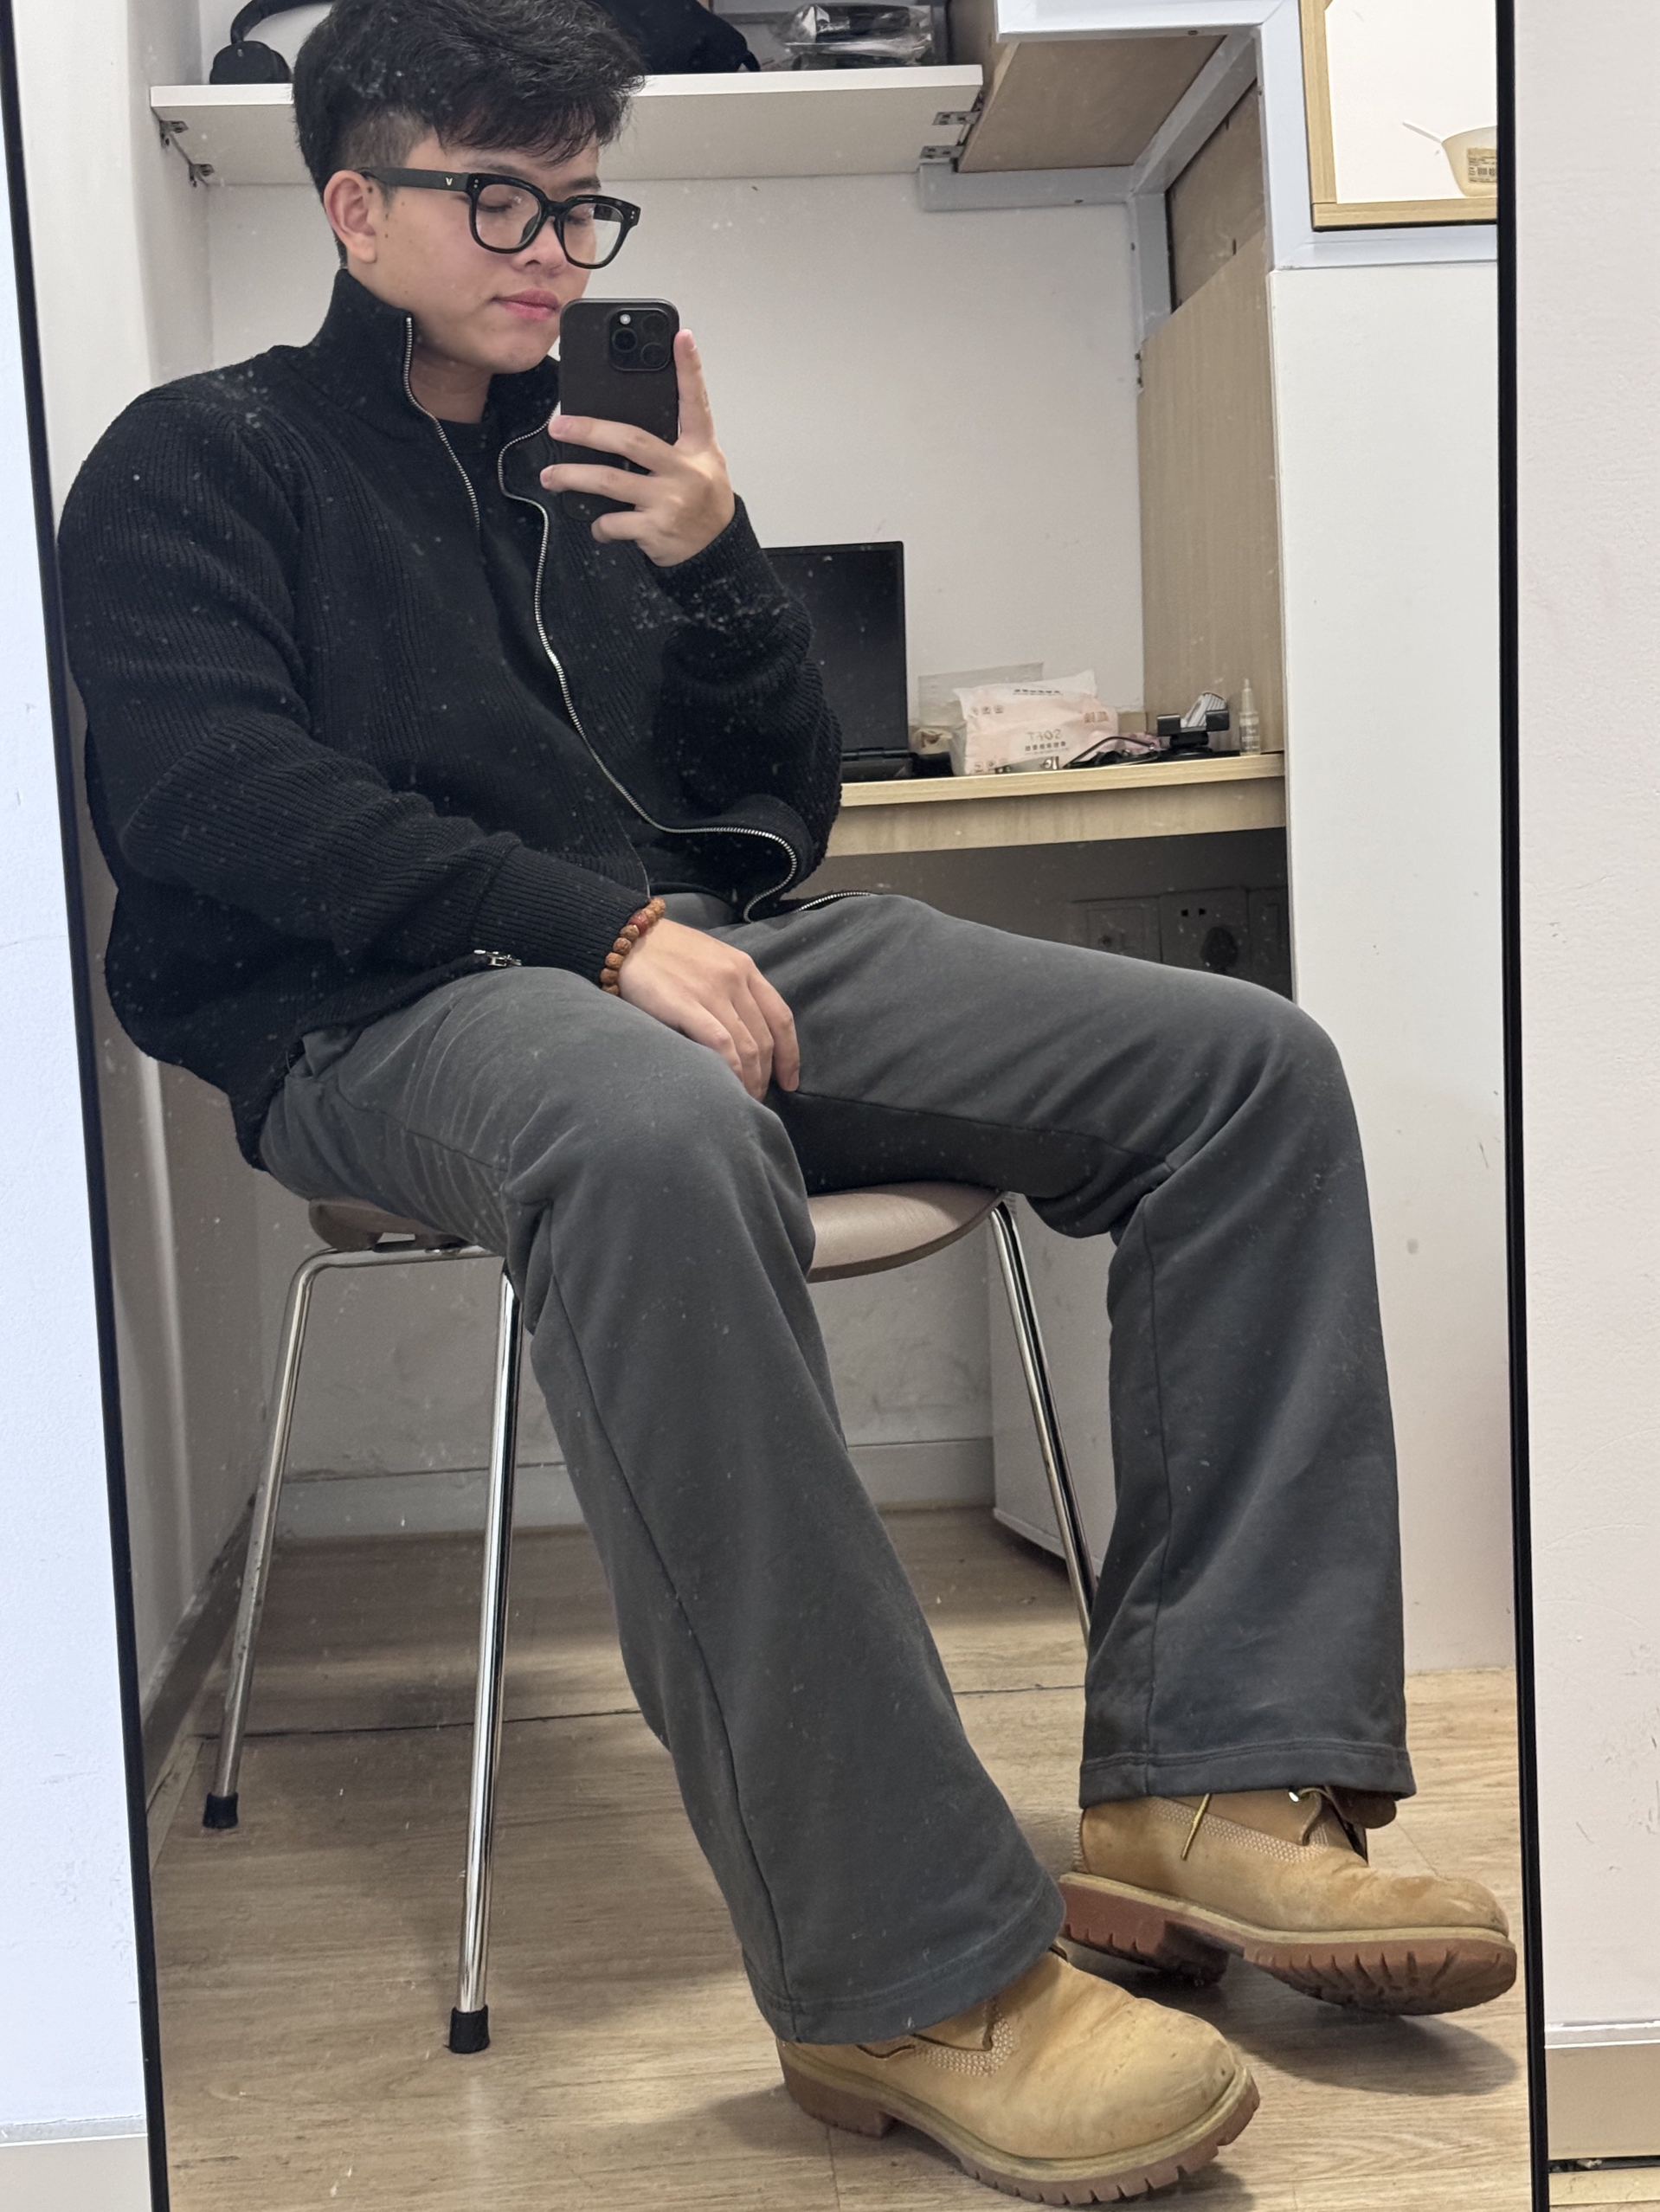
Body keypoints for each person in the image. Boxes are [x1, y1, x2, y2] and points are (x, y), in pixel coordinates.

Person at [56, 0, 1515, 2196]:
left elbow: (775, 820)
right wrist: (591, 932)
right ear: (353, 208)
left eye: (579, 204)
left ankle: (1212, 1782)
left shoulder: (604, 464)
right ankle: (903, 1969)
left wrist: (718, 564)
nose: (550, 250)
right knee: (655, 1134)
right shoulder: (203, 454)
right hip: (385, 1008)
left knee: (1240, 1065)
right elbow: (207, 796)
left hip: (690, 950)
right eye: (495, 199)